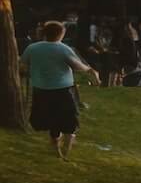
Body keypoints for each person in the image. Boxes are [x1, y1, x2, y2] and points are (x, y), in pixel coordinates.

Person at [23, 21, 98, 160]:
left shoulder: (32, 48)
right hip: (62, 90)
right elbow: (76, 65)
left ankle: (56, 151)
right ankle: (66, 148)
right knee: (70, 120)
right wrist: (89, 69)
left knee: (53, 122)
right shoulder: (63, 48)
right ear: (61, 34)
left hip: (41, 89)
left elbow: (23, 64)